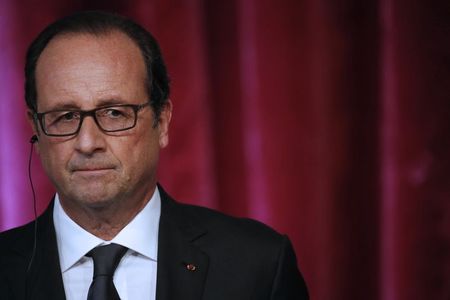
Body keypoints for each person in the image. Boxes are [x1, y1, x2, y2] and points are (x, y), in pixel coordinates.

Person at [0, 11, 308, 300]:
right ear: (37, 131)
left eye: (114, 113)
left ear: (161, 122)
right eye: (65, 116)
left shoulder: (258, 263)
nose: (87, 142)